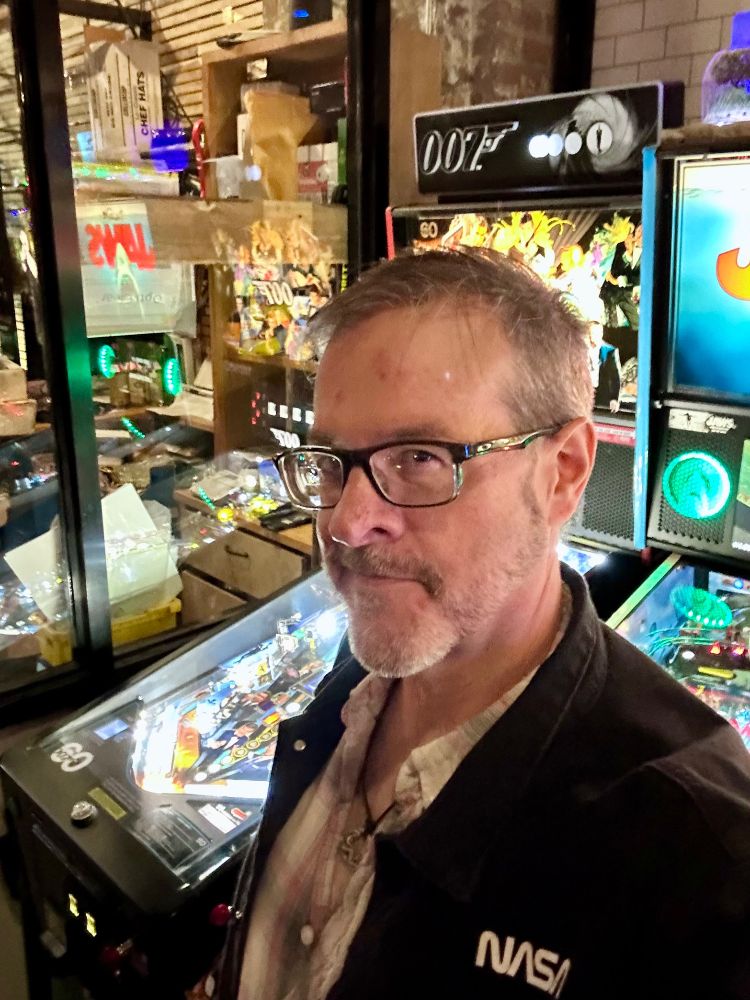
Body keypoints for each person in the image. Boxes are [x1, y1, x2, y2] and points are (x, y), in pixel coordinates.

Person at [202, 250, 750, 1000]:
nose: (350, 522)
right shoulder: (353, 680)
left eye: (421, 458)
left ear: (562, 473)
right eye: (332, 462)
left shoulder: (695, 859)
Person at [587, 319, 622, 413]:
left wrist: (614, 398)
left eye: (596, 333)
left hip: (602, 395)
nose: (593, 336)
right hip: (584, 394)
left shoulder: (610, 351)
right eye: (591, 333)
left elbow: (615, 377)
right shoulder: (581, 349)